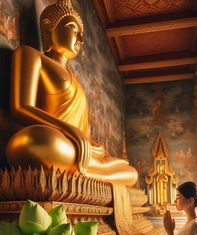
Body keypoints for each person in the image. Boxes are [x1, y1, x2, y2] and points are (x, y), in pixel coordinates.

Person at [5, 0, 138, 186]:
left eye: (81, 35)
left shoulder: (77, 82)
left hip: (74, 149)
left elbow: (82, 133)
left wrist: (92, 145)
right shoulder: (31, 55)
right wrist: (69, 130)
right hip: (52, 141)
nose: (80, 40)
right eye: (74, 30)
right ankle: (94, 175)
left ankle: (90, 174)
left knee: (131, 172)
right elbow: (21, 107)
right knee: (30, 142)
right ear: (48, 26)